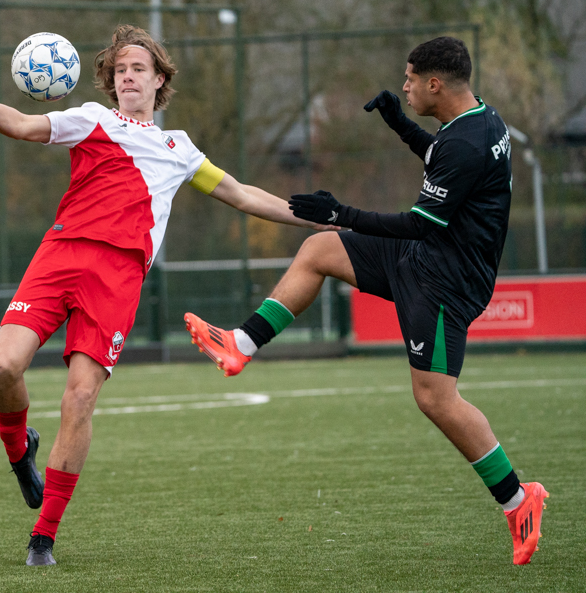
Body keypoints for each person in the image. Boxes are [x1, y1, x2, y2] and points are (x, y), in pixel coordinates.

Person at [0, 24, 329, 566]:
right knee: (4, 367)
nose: (127, 76)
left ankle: (44, 537)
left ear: (159, 80)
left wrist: (319, 215)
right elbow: (25, 125)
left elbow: (241, 194)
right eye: (120, 69)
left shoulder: (180, 149)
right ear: (110, 80)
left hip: (118, 278)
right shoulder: (90, 120)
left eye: (138, 69)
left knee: (79, 398)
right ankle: (18, 452)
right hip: (60, 257)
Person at [184, 36, 548, 566]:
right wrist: (401, 125)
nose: (403, 84)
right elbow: (441, 160)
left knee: (436, 399)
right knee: (318, 251)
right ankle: (241, 343)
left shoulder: (468, 142)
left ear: (434, 84)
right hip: (422, 257)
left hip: (446, 281)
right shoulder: (481, 121)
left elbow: (421, 220)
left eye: (409, 78)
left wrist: (341, 212)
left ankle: (519, 501)